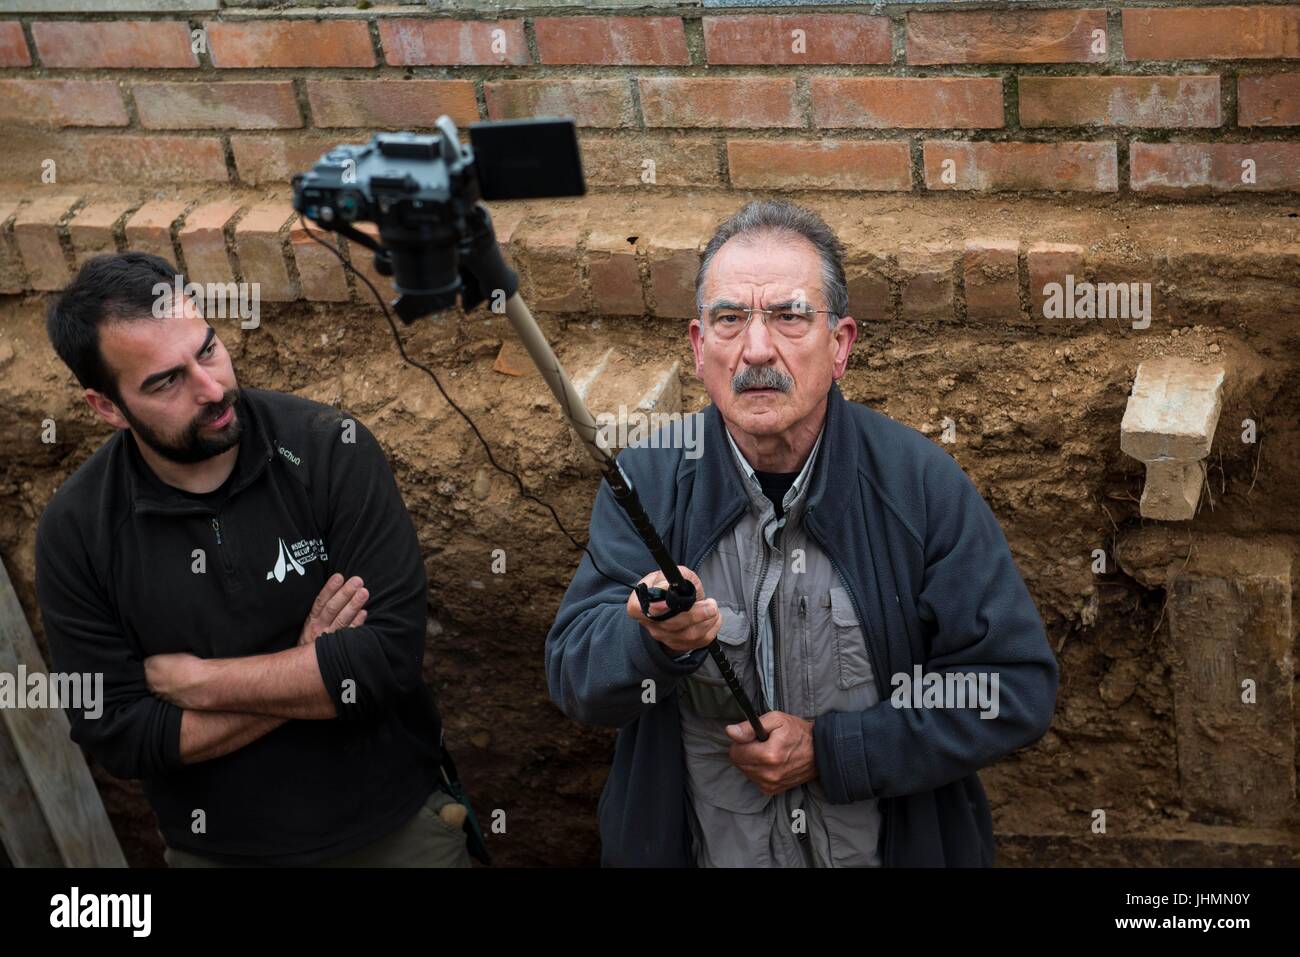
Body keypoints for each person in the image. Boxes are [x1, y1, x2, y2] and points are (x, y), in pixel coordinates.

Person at [546, 200, 1059, 867]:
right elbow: (573, 677)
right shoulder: (646, 485)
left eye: (789, 316)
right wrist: (645, 640)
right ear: (700, 349)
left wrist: (834, 748)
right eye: (729, 319)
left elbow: (1011, 686)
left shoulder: (919, 485)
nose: (757, 349)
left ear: (840, 345)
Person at [36, 251, 473, 867]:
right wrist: (307, 666)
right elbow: (120, 736)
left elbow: (384, 662)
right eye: (166, 381)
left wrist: (197, 683)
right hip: (219, 854)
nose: (212, 389)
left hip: (395, 834)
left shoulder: (329, 449)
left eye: (208, 350)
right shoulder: (77, 531)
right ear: (106, 407)